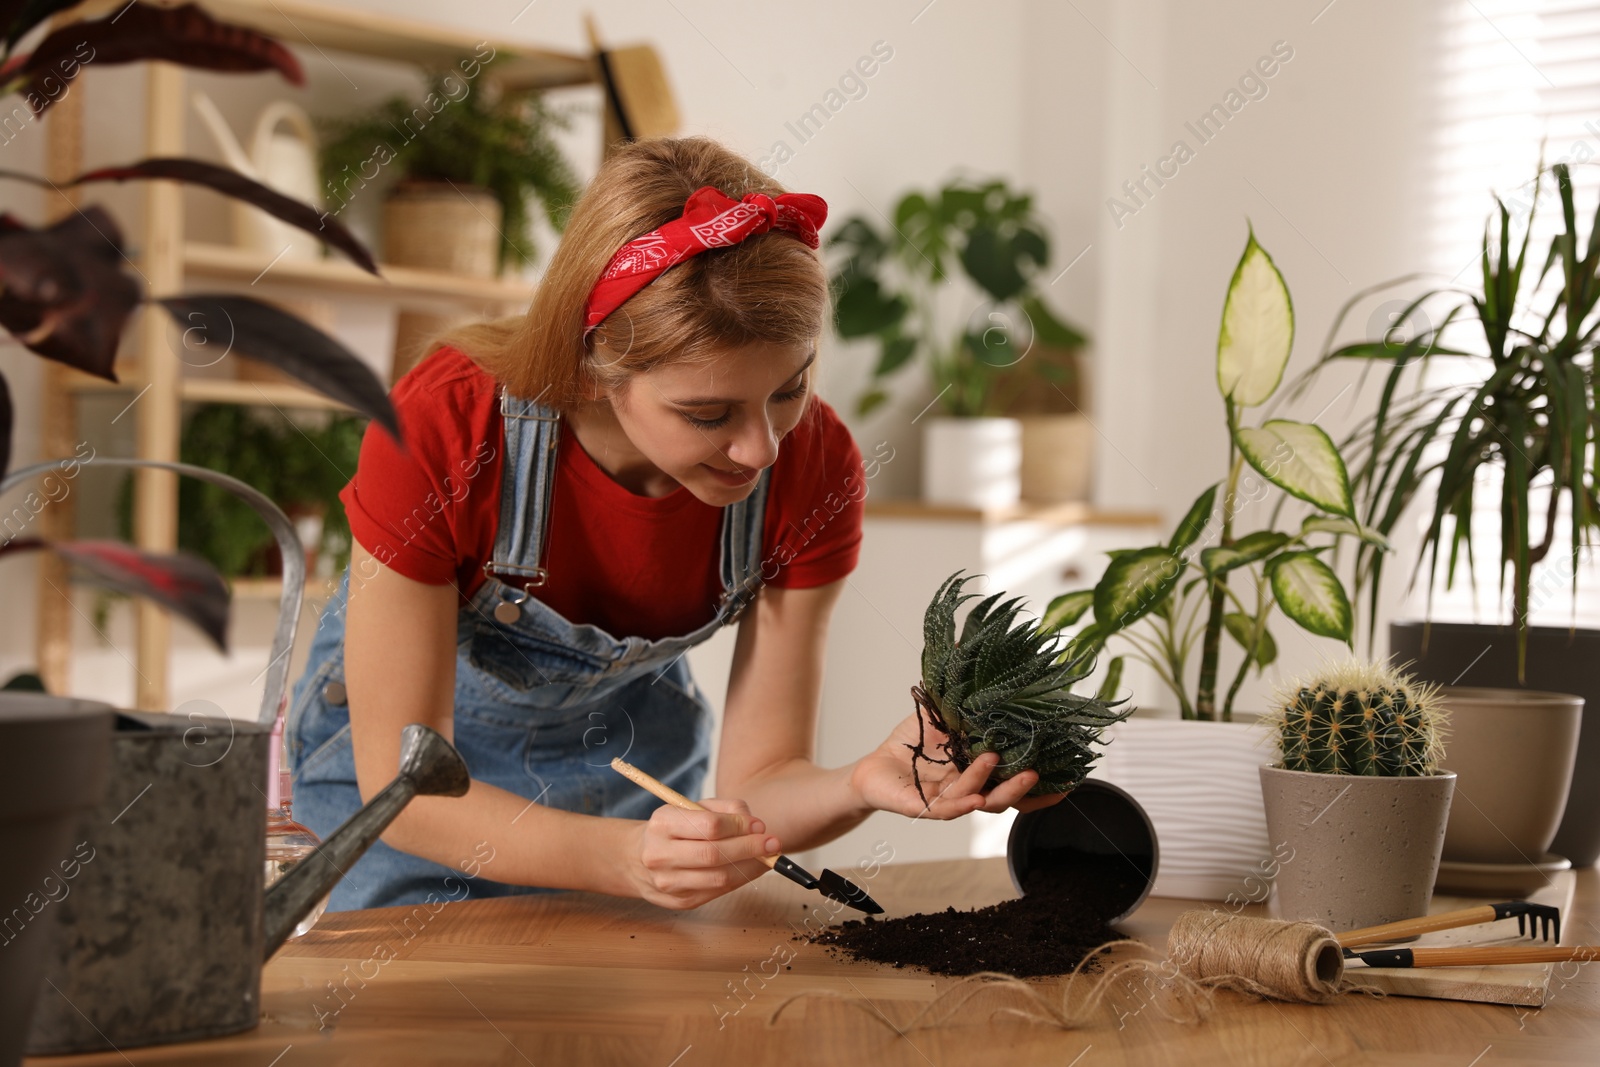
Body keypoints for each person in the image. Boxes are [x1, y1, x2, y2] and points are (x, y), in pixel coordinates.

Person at [286, 136, 1063, 913]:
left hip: (632, 796)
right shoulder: (446, 426)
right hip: (412, 820)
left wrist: (857, 783)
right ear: (593, 364)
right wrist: (624, 861)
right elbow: (408, 787)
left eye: (788, 390)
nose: (761, 447)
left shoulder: (814, 465)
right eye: (707, 413)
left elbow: (760, 784)